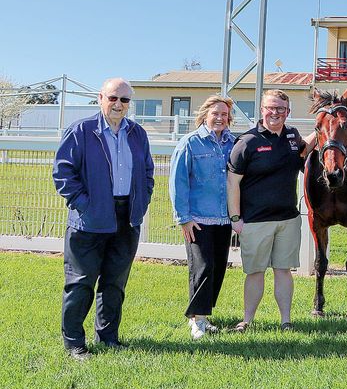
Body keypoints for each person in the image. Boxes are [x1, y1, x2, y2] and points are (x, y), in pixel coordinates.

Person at [53, 78, 154, 360]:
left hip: (127, 218)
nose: (118, 105)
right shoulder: (81, 131)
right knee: (81, 282)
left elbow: (147, 173)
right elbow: (63, 174)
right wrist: (85, 205)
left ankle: (108, 337)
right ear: (100, 98)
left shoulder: (137, 134)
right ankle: (74, 343)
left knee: (114, 283)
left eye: (124, 100)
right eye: (113, 98)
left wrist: (141, 203)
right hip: (89, 220)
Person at [227, 89, 315, 332]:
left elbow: (303, 151)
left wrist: (321, 130)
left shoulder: (291, 136)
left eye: (281, 109)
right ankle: (247, 320)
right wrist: (235, 217)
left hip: (287, 219)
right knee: (255, 272)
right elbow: (232, 182)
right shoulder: (247, 142)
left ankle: (286, 320)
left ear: (287, 112)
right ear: (261, 109)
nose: (275, 112)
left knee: (283, 271)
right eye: (271, 107)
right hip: (255, 221)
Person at [168, 95, 236, 339]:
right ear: (205, 115)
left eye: (224, 114)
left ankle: (204, 317)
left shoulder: (233, 143)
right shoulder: (190, 143)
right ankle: (197, 321)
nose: (220, 118)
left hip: (223, 219)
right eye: (215, 113)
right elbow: (178, 182)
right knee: (202, 267)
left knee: (217, 269)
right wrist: (183, 218)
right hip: (197, 219)